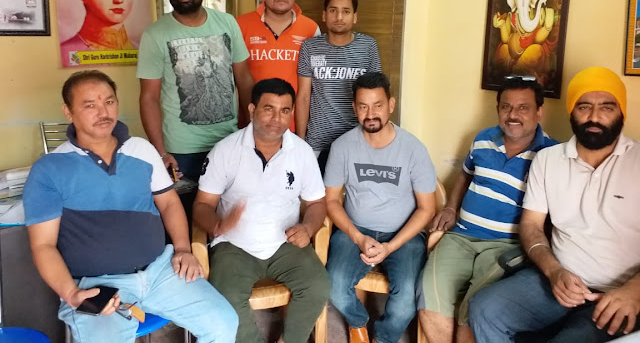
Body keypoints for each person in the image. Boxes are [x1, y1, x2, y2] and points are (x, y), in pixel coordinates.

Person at [22, 70, 237, 343]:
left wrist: (183, 249)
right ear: (68, 111)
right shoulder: (50, 168)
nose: (103, 112)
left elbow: (169, 203)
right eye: (90, 105)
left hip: (160, 272)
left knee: (223, 324)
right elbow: (43, 246)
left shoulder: (141, 149)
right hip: (96, 286)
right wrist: (72, 294)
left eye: (109, 102)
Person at [469, 67, 640, 342]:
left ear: (622, 113)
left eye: (607, 107)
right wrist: (554, 271)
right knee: (485, 309)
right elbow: (531, 226)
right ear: (572, 111)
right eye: (584, 107)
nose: (594, 117)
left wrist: (634, 291)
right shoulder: (547, 159)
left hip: (619, 293)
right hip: (555, 280)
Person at [418, 75, 558, 343]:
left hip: (507, 244)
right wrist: (451, 208)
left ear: (539, 111)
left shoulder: (551, 154)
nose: (513, 115)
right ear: (498, 109)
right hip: (460, 237)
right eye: (506, 107)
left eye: (523, 107)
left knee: (475, 308)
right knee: (429, 294)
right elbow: (465, 174)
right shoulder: (482, 139)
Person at [193, 78, 330, 343]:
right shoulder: (226, 150)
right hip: (235, 246)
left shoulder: (301, 152)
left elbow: (316, 204)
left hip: (285, 243)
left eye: (285, 111)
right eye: (269, 109)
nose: (277, 119)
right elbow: (202, 206)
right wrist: (218, 225)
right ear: (252, 109)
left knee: (317, 286)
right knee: (226, 297)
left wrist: (308, 228)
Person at [324, 71, 437, 343]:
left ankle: (383, 338)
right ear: (354, 108)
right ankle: (357, 322)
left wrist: (390, 246)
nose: (370, 114)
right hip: (356, 230)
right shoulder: (342, 147)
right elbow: (330, 200)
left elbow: (427, 208)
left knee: (407, 299)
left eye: (377, 105)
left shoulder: (413, 149)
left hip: (403, 235)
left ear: (391, 105)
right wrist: (358, 237)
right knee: (333, 286)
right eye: (363, 106)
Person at [137, 0, 254, 182]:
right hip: (181, 150)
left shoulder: (227, 23)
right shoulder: (155, 34)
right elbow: (149, 98)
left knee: (232, 203)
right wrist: (161, 153)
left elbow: (244, 78)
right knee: (186, 205)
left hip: (228, 141)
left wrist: (253, 132)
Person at [296, 0, 381, 171]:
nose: (339, 17)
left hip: (357, 140)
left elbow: (377, 95)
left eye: (346, 11)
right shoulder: (310, 47)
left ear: (355, 16)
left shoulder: (368, 46)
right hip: (317, 142)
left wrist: (375, 137)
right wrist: (300, 142)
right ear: (324, 15)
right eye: (333, 10)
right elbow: (303, 96)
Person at [236, 0, 319, 130]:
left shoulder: (311, 29)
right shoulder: (240, 25)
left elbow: (316, 85)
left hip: (294, 128)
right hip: (250, 126)